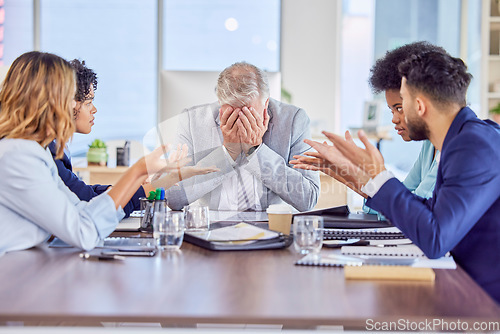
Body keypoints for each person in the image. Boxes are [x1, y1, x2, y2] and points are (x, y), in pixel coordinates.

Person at [291, 51, 500, 303]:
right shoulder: (464, 138)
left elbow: (435, 239)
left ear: (419, 106)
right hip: (465, 285)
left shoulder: (473, 145)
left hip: (483, 299)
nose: (394, 117)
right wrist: (361, 175)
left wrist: (378, 175)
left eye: (402, 102)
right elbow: (430, 213)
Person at [0, 51, 185, 254]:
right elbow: (83, 232)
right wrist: (138, 171)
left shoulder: (36, 151)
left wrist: (139, 177)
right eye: (69, 96)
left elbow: (82, 210)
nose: (73, 105)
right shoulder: (17, 157)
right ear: (47, 101)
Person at [48, 59, 216, 217]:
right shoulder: (49, 151)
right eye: (88, 103)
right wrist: (163, 177)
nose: (94, 110)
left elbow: (90, 193)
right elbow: (92, 204)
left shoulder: (55, 146)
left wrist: (142, 182)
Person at [165, 61, 320, 212]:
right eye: (232, 114)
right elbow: (172, 197)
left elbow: (308, 199)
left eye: (250, 114)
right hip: (211, 228)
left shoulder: (293, 120)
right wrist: (227, 154)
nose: (242, 123)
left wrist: (256, 151)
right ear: (220, 103)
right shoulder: (193, 121)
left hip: (272, 228)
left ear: (266, 104)